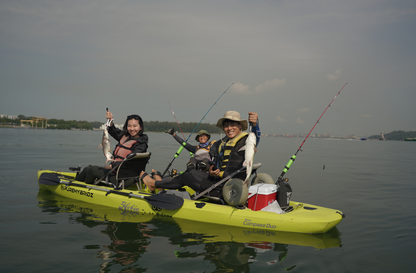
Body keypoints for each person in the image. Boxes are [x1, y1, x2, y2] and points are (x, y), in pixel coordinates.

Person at [141, 111, 260, 197]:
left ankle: (155, 184)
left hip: (229, 189)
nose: (229, 128)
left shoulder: (247, 140)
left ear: (240, 126)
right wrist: (212, 170)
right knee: (189, 172)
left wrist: (254, 124)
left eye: (233, 124)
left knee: (187, 177)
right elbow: (214, 162)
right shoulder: (221, 143)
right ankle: (161, 184)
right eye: (226, 125)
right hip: (218, 181)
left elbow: (256, 137)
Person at [75, 111, 148, 187]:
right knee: (87, 169)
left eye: (135, 126)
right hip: (117, 173)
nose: (132, 129)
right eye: (129, 126)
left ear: (140, 127)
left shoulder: (141, 145)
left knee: (92, 170)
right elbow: (114, 131)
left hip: (125, 179)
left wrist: (111, 166)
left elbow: (130, 162)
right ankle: (75, 183)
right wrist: (110, 120)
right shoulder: (126, 137)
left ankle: (84, 189)